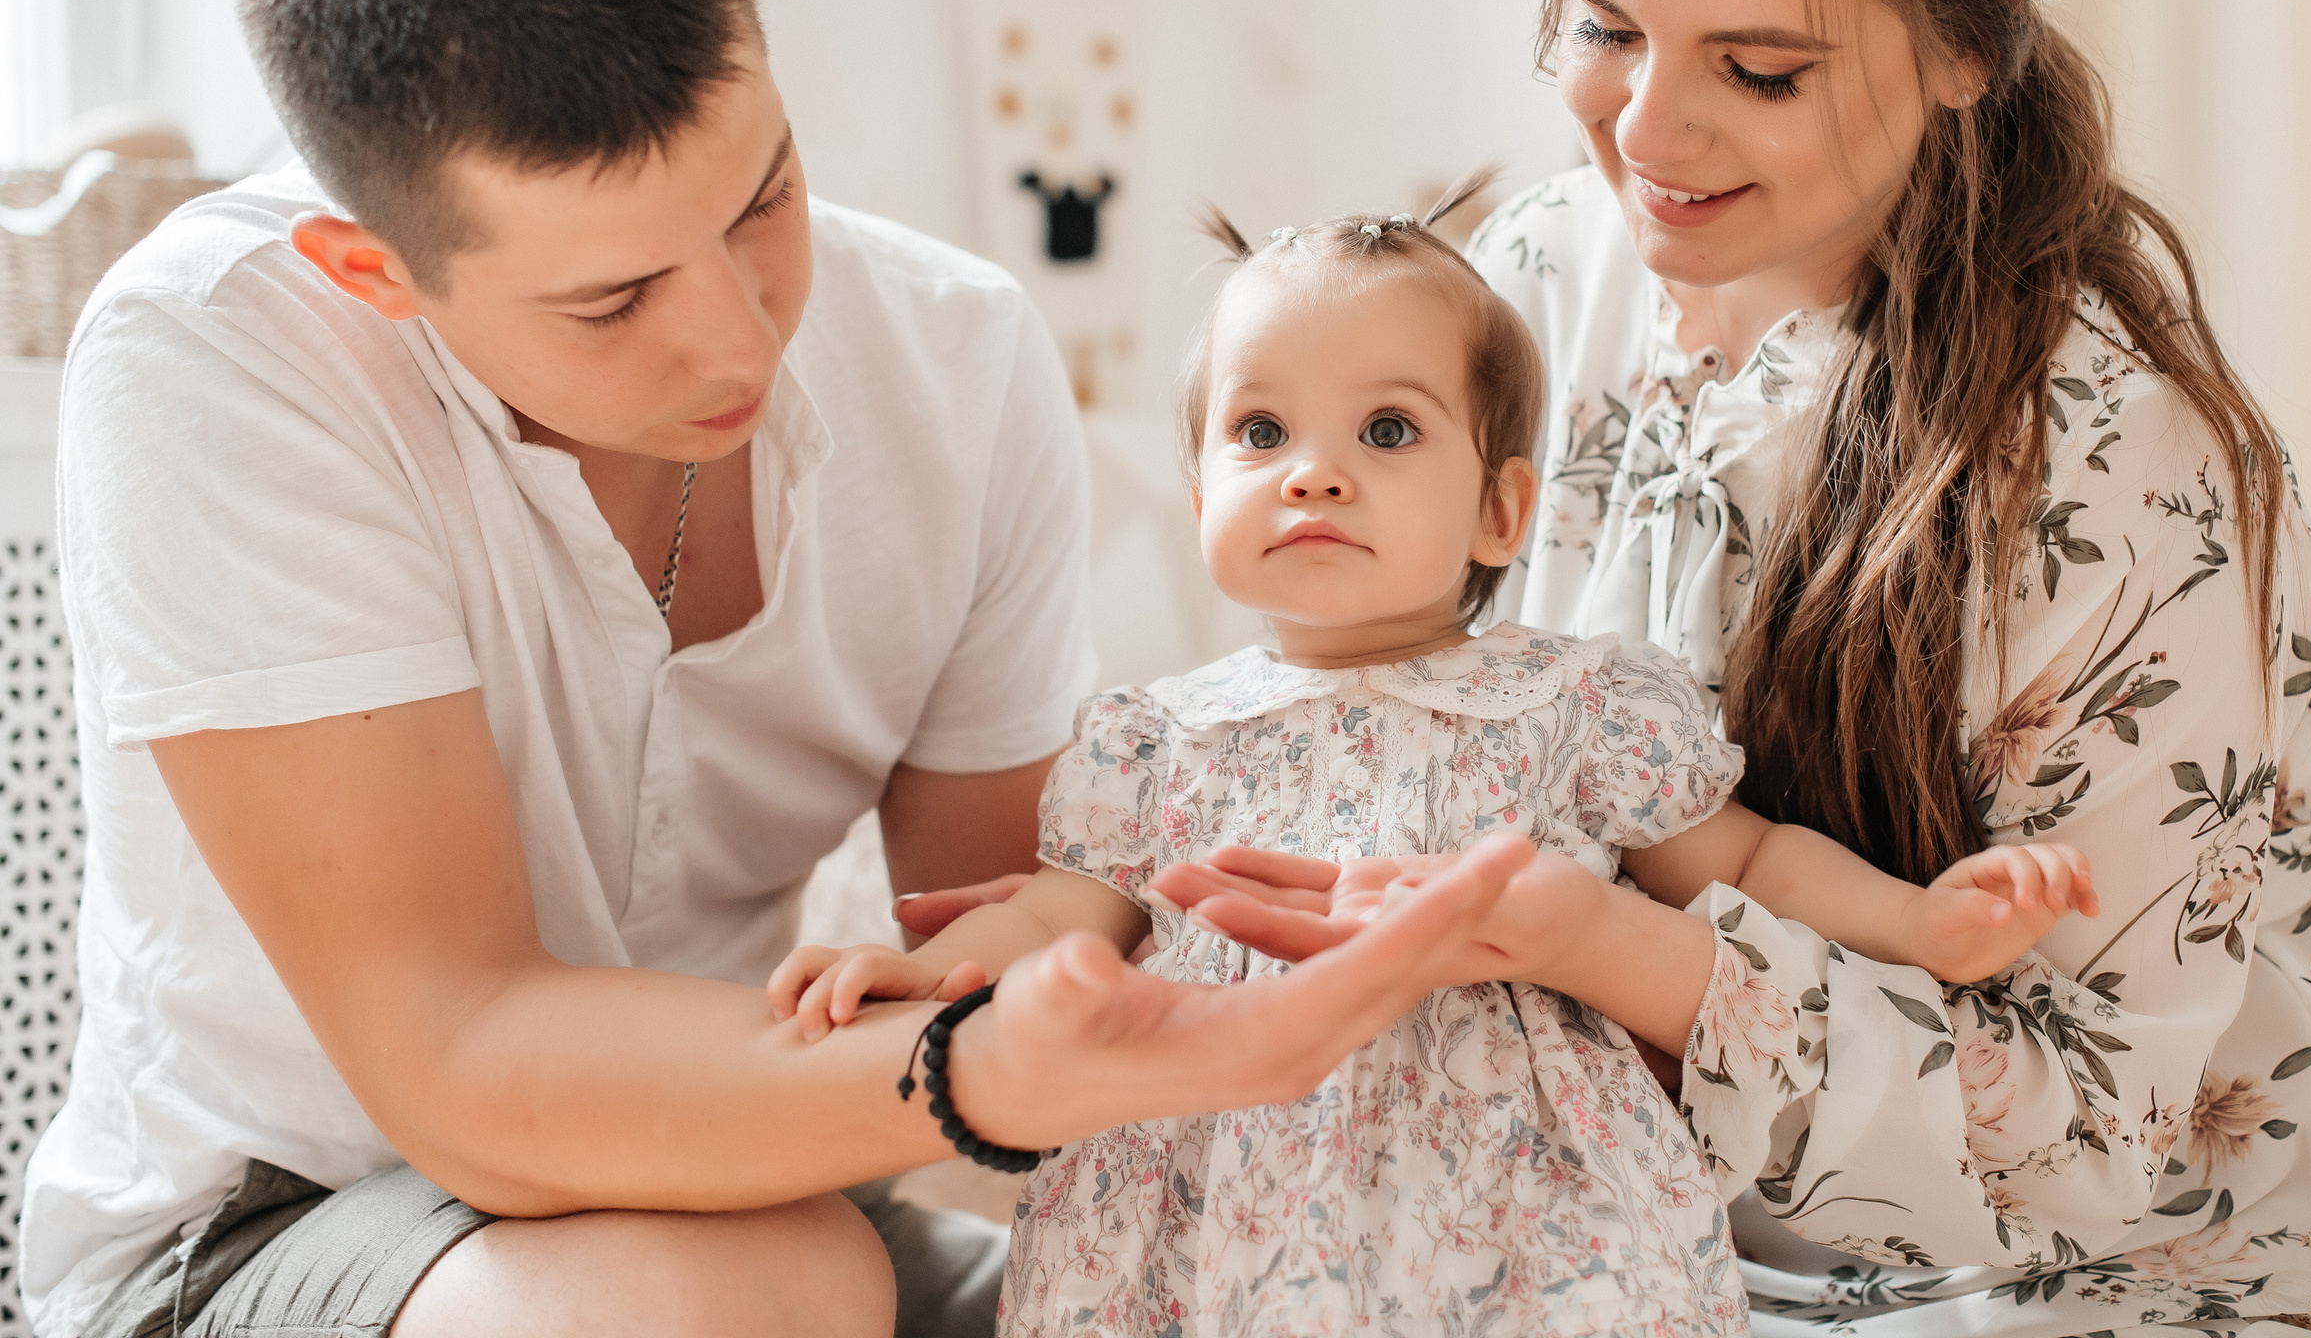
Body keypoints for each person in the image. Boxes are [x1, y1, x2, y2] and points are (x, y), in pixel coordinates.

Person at [17, 0, 1538, 1338]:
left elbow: (999, 938)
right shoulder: (213, 357)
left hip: (751, 1182)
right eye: (612, 302)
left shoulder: (957, 359)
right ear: (373, 270)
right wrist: (992, 1072)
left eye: (765, 198)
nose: (740, 341)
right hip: (282, 1222)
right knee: (767, 1286)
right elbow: (460, 1061)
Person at [1149, 0, 2311, 1333]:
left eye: (1762, 68)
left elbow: (2110, 1142)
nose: (1647, 131)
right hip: (1662, 1216)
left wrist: (1603, 949)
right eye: (1603, 25)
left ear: (1965, 50)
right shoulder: (1523, 289)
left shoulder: (2123, 465)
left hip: (2150, 1258)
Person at [782, 197, 2097, 1337]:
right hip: (1220, 1183)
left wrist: (1919, 919)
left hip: (1514, 1203)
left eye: (1388, 433)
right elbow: (1069, 913)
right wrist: (939, 973)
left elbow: (1742, 860)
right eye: (1259, 434)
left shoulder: (1566, 703)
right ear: (1197, 499)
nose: (1315, 477)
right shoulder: (1154, 739)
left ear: (1500, 511)